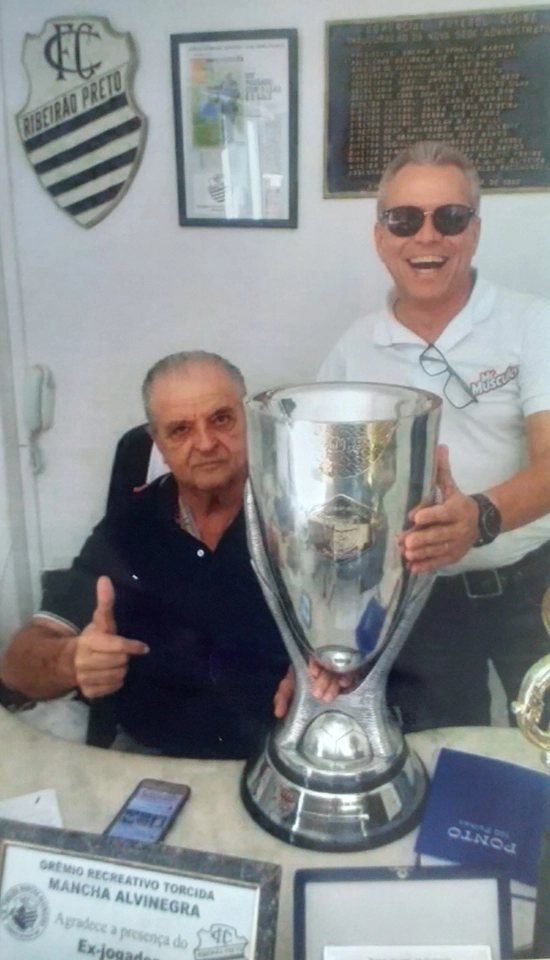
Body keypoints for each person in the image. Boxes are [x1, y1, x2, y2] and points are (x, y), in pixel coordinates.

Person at [316, 140, 550, 731]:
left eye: (449, 218)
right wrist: (335, 630)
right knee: (444, 760)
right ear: (379, 237)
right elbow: (336, 493)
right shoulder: (352, 352)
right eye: (403, 219)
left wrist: (479, 516)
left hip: (534, 584)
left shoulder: (533, 323)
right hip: (419, 604)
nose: (427, 237)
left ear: (473, 231)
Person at [0, 351, 293, 758]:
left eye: (222, 419)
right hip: (147, 756)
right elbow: (17, 664)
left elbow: (367, 633)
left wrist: (326, 668)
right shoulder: (129, 527)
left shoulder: (300, 513)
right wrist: (72, 661)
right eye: (181, 429)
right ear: (159, 444)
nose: (206, 443)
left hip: (277, 754)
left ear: (250, 420)